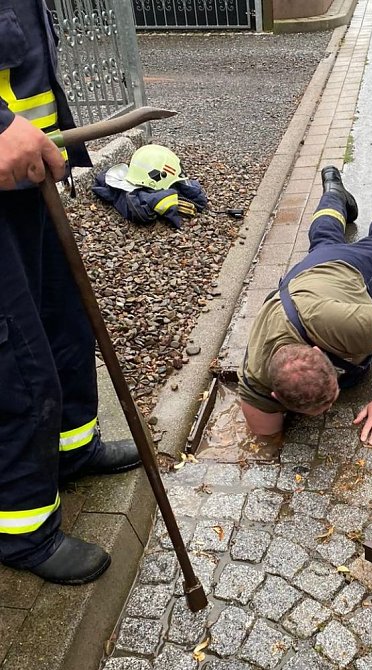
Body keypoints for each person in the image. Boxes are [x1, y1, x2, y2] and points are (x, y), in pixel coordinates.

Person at [0, 0, 141, 585]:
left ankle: (71, 448)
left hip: (23, 174)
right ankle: (21, 528)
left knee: (62, 320)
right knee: (14, 356)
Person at [239, 166, 372, 446]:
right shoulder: (255, 381)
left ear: (319, 350)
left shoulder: (340, 324)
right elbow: (265, 438)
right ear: (274, 395)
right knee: (323, 239)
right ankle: (334, 194)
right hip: (302, 279)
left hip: (346, 270)